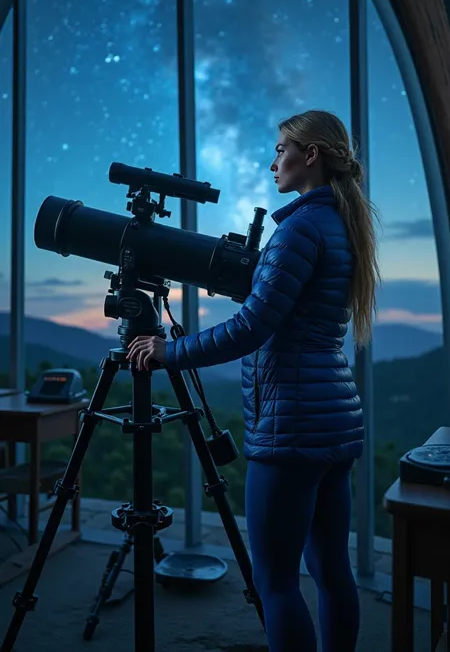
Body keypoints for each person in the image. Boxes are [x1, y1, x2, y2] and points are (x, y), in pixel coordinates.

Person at [127, 109, 381, 652]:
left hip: (290, 427)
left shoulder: (299, 230)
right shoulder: (339, 223)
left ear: (309, 155)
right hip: (334, 422)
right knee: (333, 569)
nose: (273, 163)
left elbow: (251, 327)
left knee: (277, 582)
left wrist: (170, 353)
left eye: (281, 149)